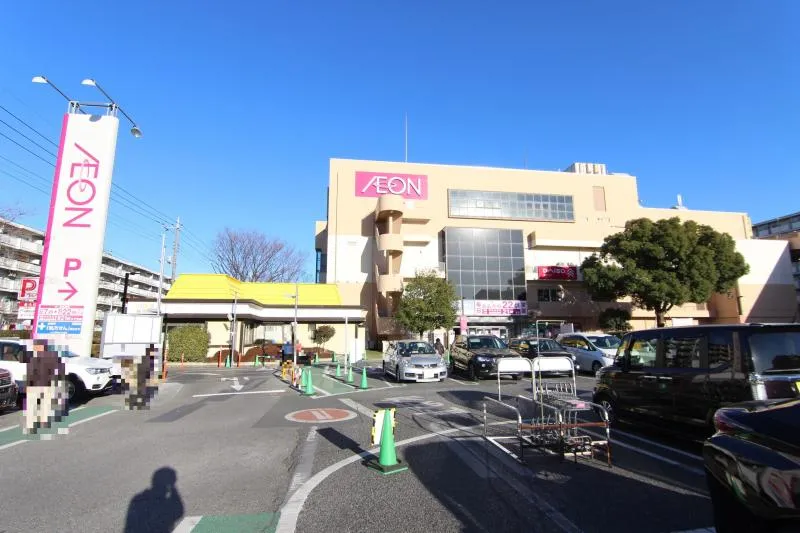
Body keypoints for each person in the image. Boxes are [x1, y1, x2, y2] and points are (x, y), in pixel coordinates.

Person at [23, 339, 68, 437]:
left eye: (36, 346)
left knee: (34, 406)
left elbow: (30, 372)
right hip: (46, 384)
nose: (34, 347)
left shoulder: (34, 356)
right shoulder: (53, 356)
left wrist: (27, 385)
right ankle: (43, 423)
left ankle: (32, 426)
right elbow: (60, 369)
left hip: (37, 385)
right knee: (44, 404)